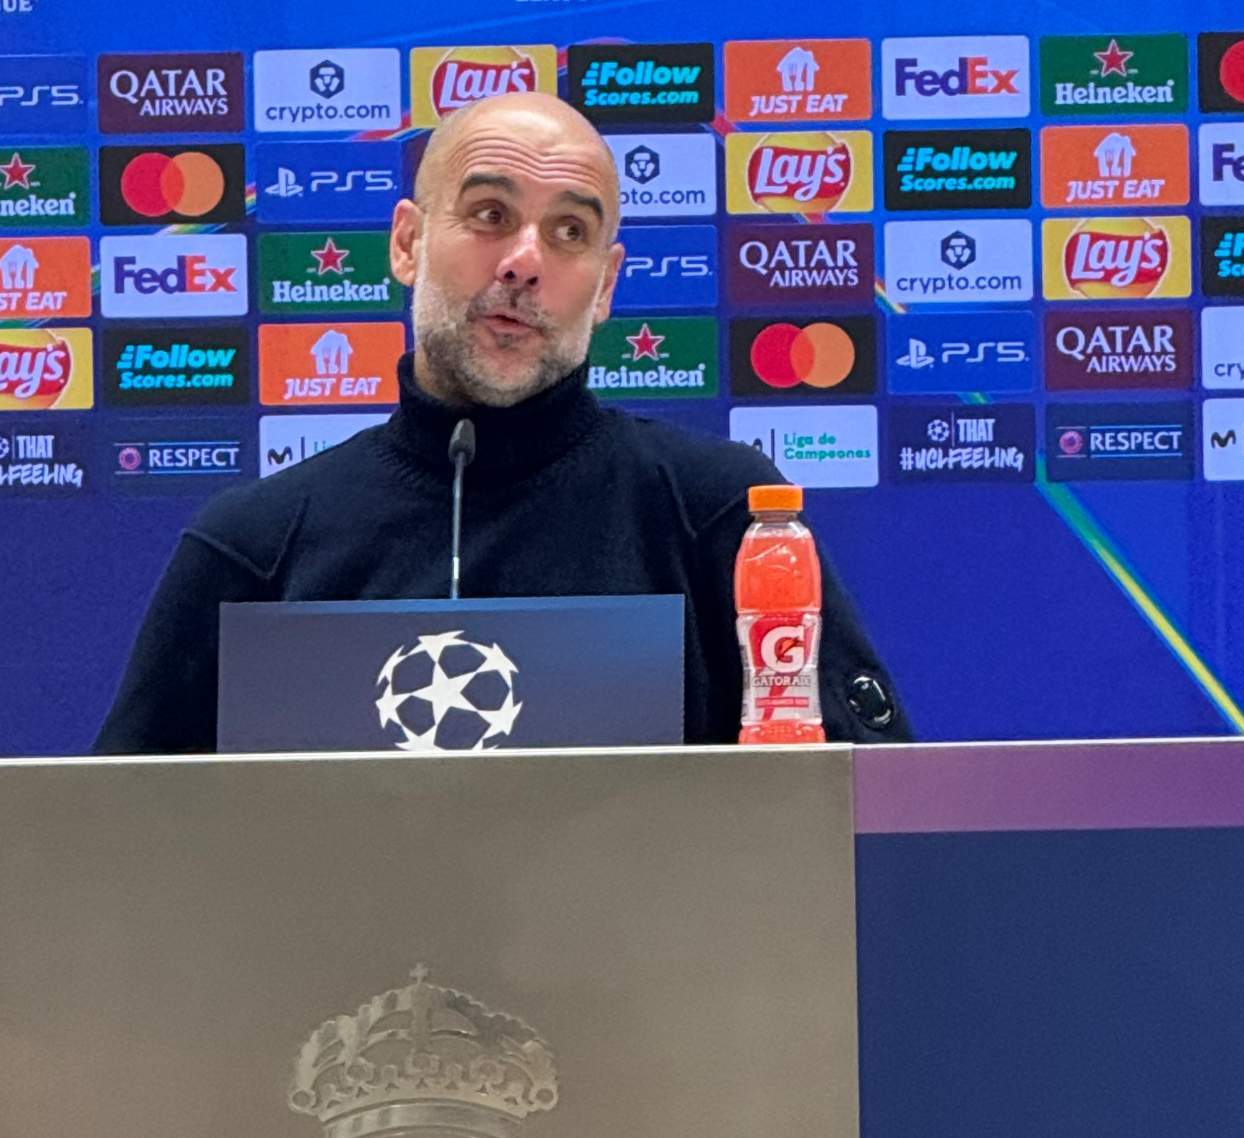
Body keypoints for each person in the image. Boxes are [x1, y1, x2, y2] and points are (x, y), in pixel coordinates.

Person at [93, 92, 908, 752]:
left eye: (570, 232)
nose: (524, 261)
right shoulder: (255, 544)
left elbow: (869, 821)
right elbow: (115, 849)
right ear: (407, 243)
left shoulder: (725, 517)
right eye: (489, 215)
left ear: (606, 285)